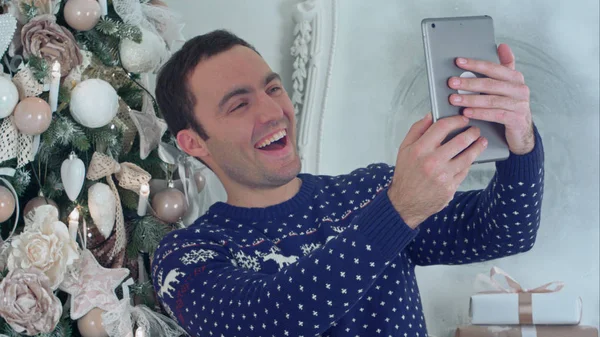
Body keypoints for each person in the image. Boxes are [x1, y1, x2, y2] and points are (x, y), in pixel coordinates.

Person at [152, 29, 543, 337]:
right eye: (239, 105)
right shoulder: (184, 257)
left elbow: (505, 231)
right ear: (194, 142)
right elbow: (274, 317)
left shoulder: (371, 193)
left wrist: (520, 139)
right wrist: (399, 210)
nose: (274, 111)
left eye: (273, 88)